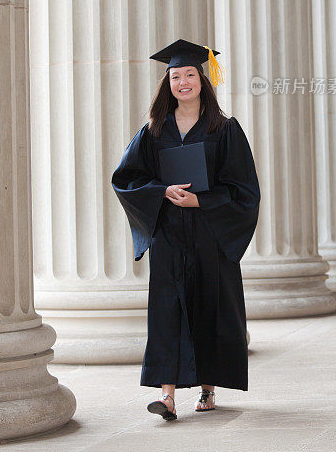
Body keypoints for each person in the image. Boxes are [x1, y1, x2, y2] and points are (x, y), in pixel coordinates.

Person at [111, 38, 260, 421]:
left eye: (190, 75)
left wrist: (202, 201)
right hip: (169, 236)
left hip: (210, 234)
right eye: (176, 76)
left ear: (202, 81)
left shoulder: (224, 130)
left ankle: (208, 389)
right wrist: (162, 190)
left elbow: (244, 190)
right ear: (168, 84)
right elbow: (126, 179)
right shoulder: (153, 131)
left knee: (209, 308)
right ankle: (168, 395)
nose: (183, 82)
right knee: (167, 310)